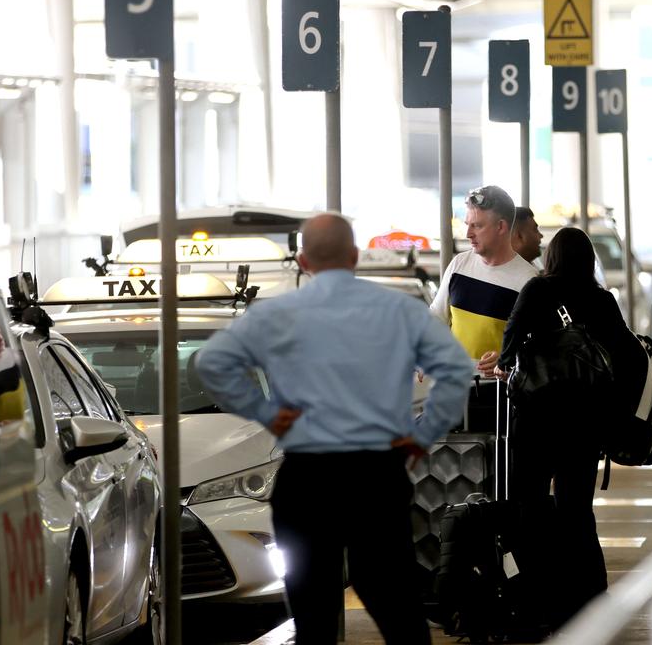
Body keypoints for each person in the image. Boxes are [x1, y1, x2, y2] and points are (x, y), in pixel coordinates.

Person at [196, 213, 470, 645]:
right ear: (356, 256)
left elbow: (212, 363)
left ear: (303, 261)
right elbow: (454, 369)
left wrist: (265, 412)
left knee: (314, 615)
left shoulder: (279, 312)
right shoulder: (398, 310)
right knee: (396, 606)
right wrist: (423, 433)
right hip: (375, 475)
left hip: (307, 476)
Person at [493, 227, 640, 626]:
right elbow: (626, 357)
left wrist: (512, 360)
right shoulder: (602, 299)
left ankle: (540, 598)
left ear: (551, 257)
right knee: (577, 510)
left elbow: (509, 346)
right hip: (584, 424)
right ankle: (591, 599)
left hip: (536, 420)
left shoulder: (536, 291)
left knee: (532, 506)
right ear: (589, 259)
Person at [431, 185, 538, 379]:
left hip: (498, 399)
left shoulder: (528, 280)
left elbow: (538, 347)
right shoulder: (459, 265)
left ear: (501, 227)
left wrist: (507, 360)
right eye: (467, 224)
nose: (468, 234)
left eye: (477, 226)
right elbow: (436, 317)